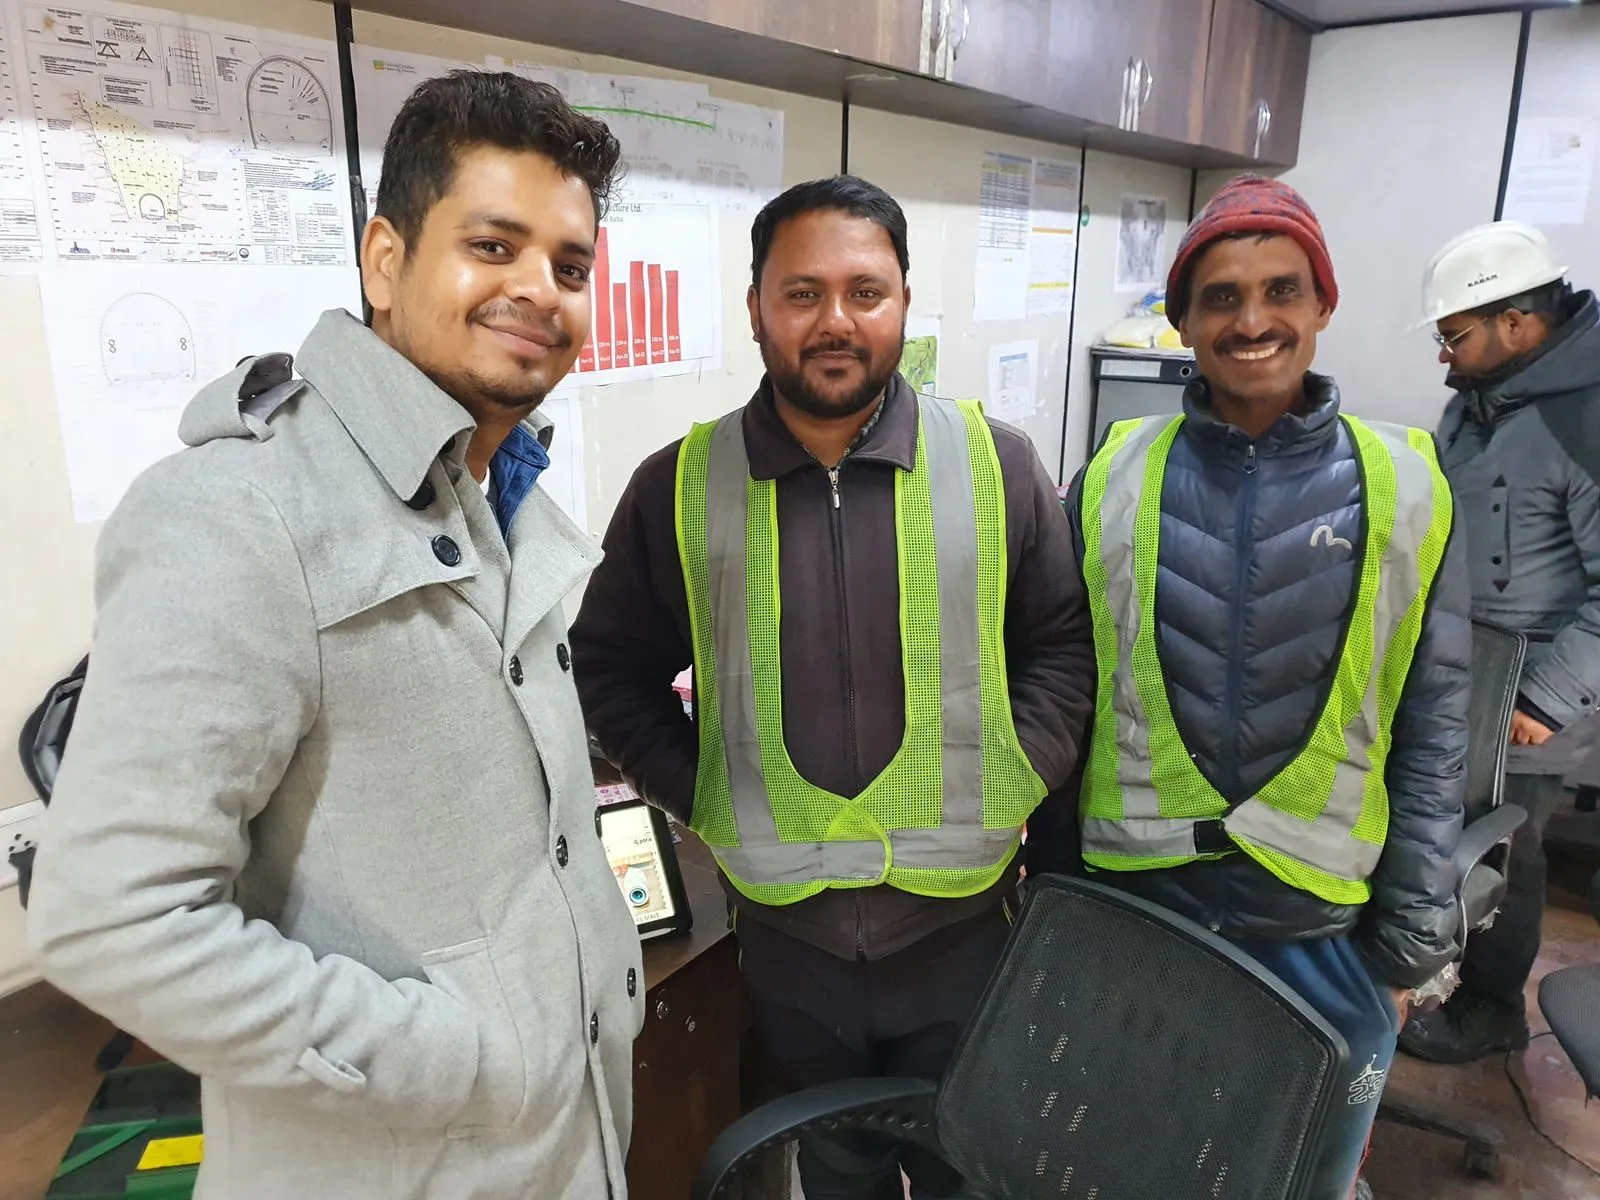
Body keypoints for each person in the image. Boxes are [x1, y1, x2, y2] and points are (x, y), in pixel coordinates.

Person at [27, 72, 643, 1199]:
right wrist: (449, 1057)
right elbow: (111, 916)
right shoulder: (238, 511)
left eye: (569, 266)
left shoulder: (497, 492)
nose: (538, 290)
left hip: (562, 1142)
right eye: (492, 246)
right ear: (384, 261)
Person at [570, 175, 1094, 1200]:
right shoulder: (679, 484)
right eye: (802, 293)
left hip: (961, 933)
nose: (835, 321)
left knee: (972, 1173)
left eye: (866, 292)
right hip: (789, 946)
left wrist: (1016, 770)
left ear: (904, 303)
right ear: (756, 307)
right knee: (837, 1174)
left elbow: (1062, 648)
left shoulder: (996, 463)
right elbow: (609, 666)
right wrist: (703, 789)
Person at [1030, 175, 1471, 1200]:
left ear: (1323, 305)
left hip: (1319, 923)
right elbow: (1071, 696)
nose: (1252, 320)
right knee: (1133, 1161)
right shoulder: (1113, 474)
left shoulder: (1407, 483)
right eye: (1220, 297)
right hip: (1138, 908)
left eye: (1282, 291)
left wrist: (1409, 938)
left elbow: (1434, 719)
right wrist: (1052, 893)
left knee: (1292, 1174)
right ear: (1182, 320)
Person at [1399, 221, 1600, 1065]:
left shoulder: (1584, 418)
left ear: (1516, 323)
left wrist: (1545, 700)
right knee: (1448, 834)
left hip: (1536, 691)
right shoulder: (1482, 399)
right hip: (1464, 668)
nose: (1444, 356)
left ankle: (1493, 1007)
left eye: (1454, 335)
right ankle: (1436, 977)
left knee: (1509, 849)